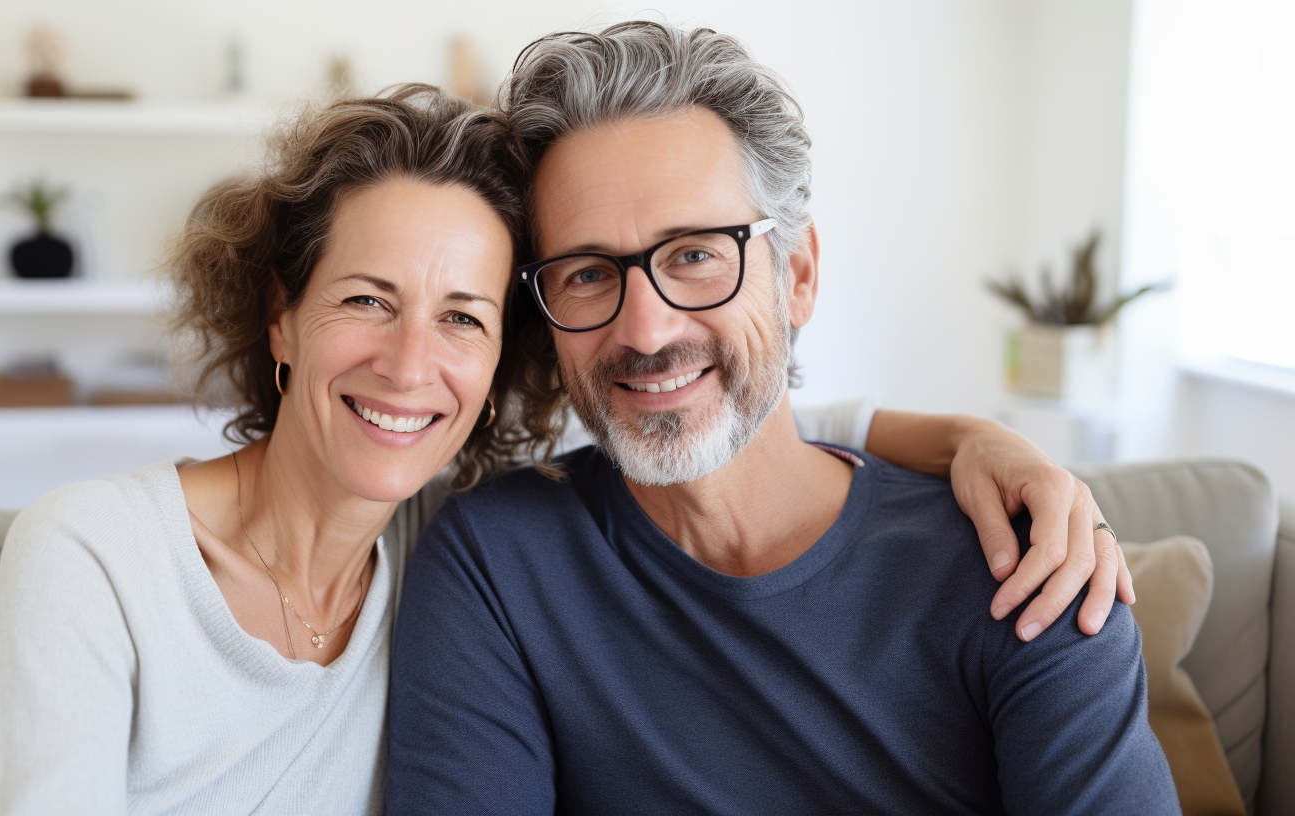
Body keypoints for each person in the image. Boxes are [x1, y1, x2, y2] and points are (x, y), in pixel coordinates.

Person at [0, 87, 1122, 816]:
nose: (409, 365)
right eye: (366, 299)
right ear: (279, 314)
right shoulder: (101, 564)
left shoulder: (434, 531)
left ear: (499, 369)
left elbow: (713, 416)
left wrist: (972, 437)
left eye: (464, 320)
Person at [386, 23, 1178, 815]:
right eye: (588, 274)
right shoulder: (495, 565)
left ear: (796, 277)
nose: (646, 332)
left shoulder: (1025, 567)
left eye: (695, 254)